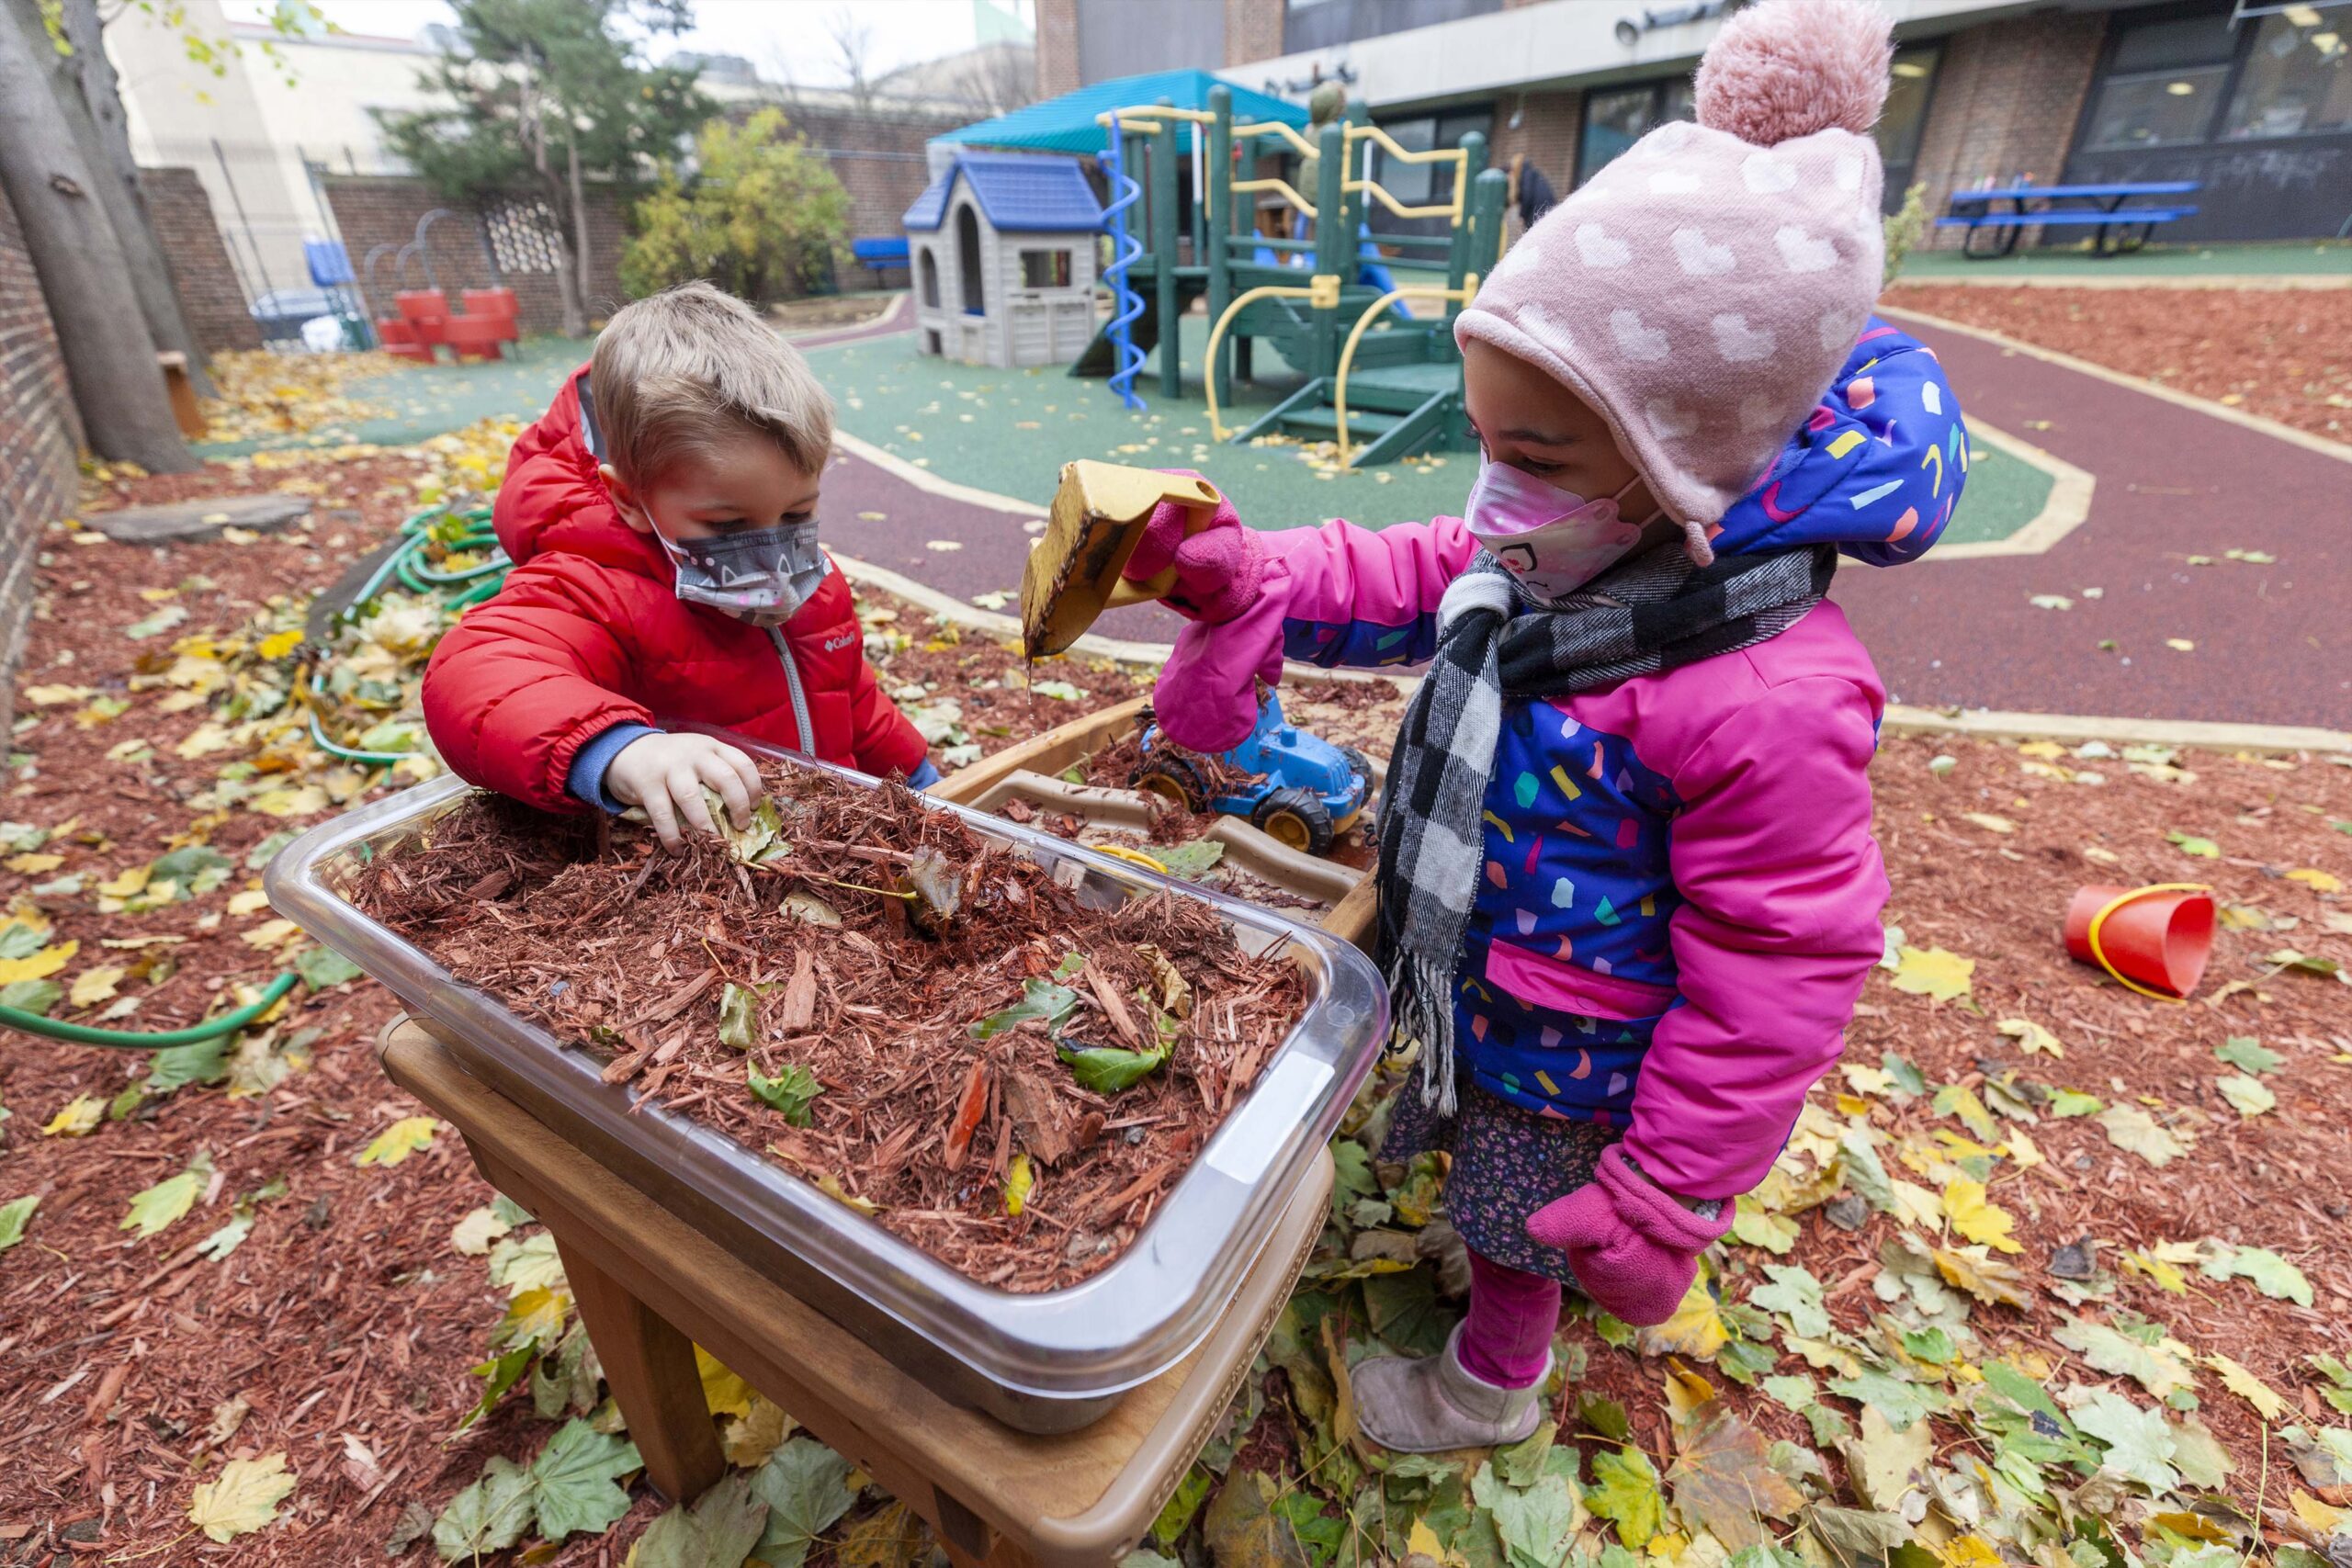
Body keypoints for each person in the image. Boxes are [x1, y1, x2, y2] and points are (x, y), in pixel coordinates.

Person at [1114, 0, 1963, 1451]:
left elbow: (1780, 968)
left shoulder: (1765, 693)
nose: (1493, 491)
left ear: (1682, 454)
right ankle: (1509, 1256)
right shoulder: (1579, 543)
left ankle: (1489, 1385)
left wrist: (1666, 1191)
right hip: (1502, 988)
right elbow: (1410, 568)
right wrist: (1255, 576)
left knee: (1520, 1217)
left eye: (1535, 452)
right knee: (1500, 1185)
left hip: (1589, 1051)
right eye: (1484, 438)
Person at [422, 281, 933, 851]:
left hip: (828, 846)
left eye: (797, 513)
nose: (773, 556)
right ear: (628, 498)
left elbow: (850, 699)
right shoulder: (593, 587)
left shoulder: (815, 582)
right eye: (728, 526)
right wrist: (622, 750)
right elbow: (477, 675)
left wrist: (916, 779)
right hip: (707, 864)